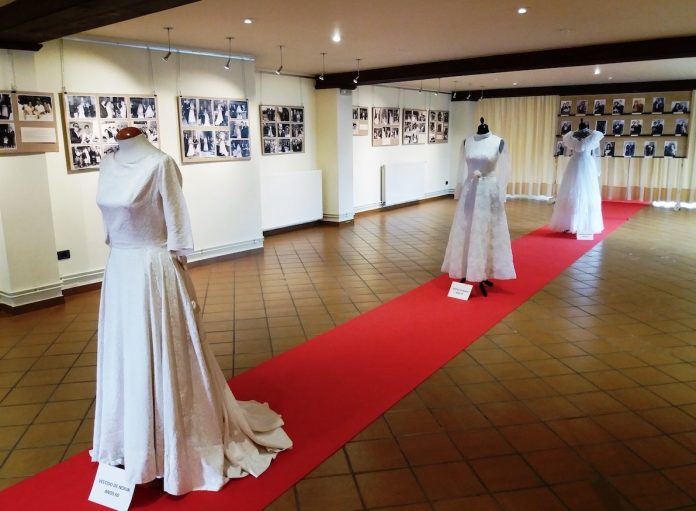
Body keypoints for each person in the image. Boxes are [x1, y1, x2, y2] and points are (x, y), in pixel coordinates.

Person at [92, 128, 292, 496]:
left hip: (153, 273)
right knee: (127, 358)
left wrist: (178, 271)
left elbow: (177, 225)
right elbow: (110, 226)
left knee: (162, 356)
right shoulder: (107, 162)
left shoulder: (161, 164)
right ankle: (132, 441)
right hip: (119, 272)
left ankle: (173, 442)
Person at [441, 118, 515, 297]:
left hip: (489, 193)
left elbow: (505, 171)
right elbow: (461, 169)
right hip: (470, 192)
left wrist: (502, 193)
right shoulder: (467, 142)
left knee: (487, 230)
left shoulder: (498, 142)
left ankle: (483, 270)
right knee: (466, 228)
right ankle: (467, 268)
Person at [550, 119, 604, 235]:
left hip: (585, 165)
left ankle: (584, 224)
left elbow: (596, 153)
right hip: (575, 164)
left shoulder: (593, 135)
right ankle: (569, 223)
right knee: (572, 191)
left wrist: (596, 170)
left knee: (586, 191)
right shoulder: (570, 135)